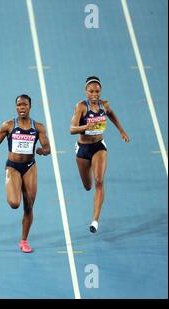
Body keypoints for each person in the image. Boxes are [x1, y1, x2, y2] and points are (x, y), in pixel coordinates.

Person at [0, 95, 50, 253]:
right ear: (16, 107)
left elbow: (47, 147)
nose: (22, 108)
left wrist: (43, 151)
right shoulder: (8, 125)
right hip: (13, 167)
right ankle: (11, 183)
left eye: (25, 105)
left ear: (30, 107)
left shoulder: (38, 127)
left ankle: (24, 241)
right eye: (19, 105)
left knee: (29, 206)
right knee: (15, 203)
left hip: (29, 166)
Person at [70, 76, 129, 233]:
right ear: (86, 91)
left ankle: (95, 220)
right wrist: (87, 126)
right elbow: (72, 129)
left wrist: (121, 130)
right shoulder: (81, 107)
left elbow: (111, 114)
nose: (94, 94)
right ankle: (89, 168)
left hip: (98, 146)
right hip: (83, 149)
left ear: (100, 91)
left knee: (99, 181)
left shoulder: (104, 105)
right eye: (91, 91)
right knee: (88, 186)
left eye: (97, 91)